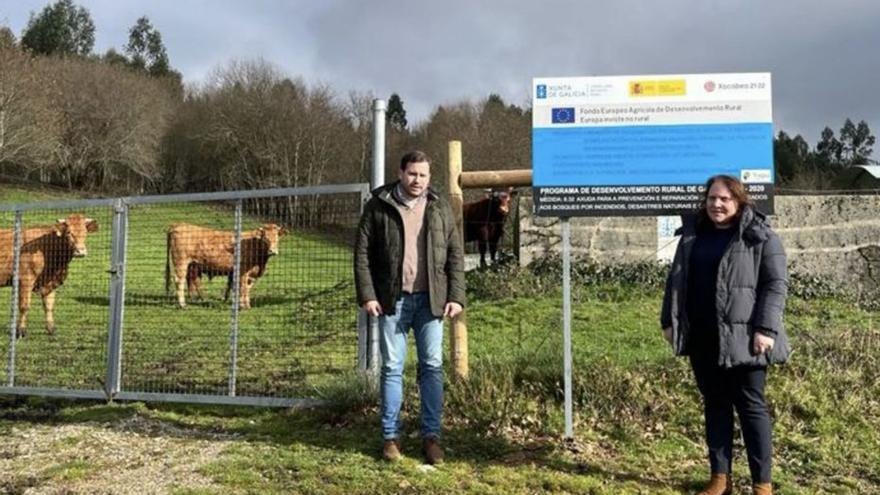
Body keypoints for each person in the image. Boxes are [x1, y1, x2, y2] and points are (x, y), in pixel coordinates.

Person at [660, 175, 790, 495]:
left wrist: (766, 329)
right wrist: (669, 321)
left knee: (751, 409)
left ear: (739, 201)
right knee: (715, 405)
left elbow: (775, 286)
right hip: (704, 337)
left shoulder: (760, 236)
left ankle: (762, 484)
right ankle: (720, 478)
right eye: (712, 199)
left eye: (724, 199)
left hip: (746, 338)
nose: (717, 204)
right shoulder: (693, 236)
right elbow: (675, 281)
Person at [354, 150, 466, 464]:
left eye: (424, 175)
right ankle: (391, 438)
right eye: (413, 174)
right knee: (392, 368)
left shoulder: (439, 206)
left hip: (432, 302)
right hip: (393, 301)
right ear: (401, 173)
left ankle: (432, 438)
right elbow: (362, 253)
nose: (418, 180)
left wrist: (455, 295)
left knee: (431, 367)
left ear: (430, 178)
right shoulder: (379, 205)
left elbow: (455, 253)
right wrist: (368, 294)